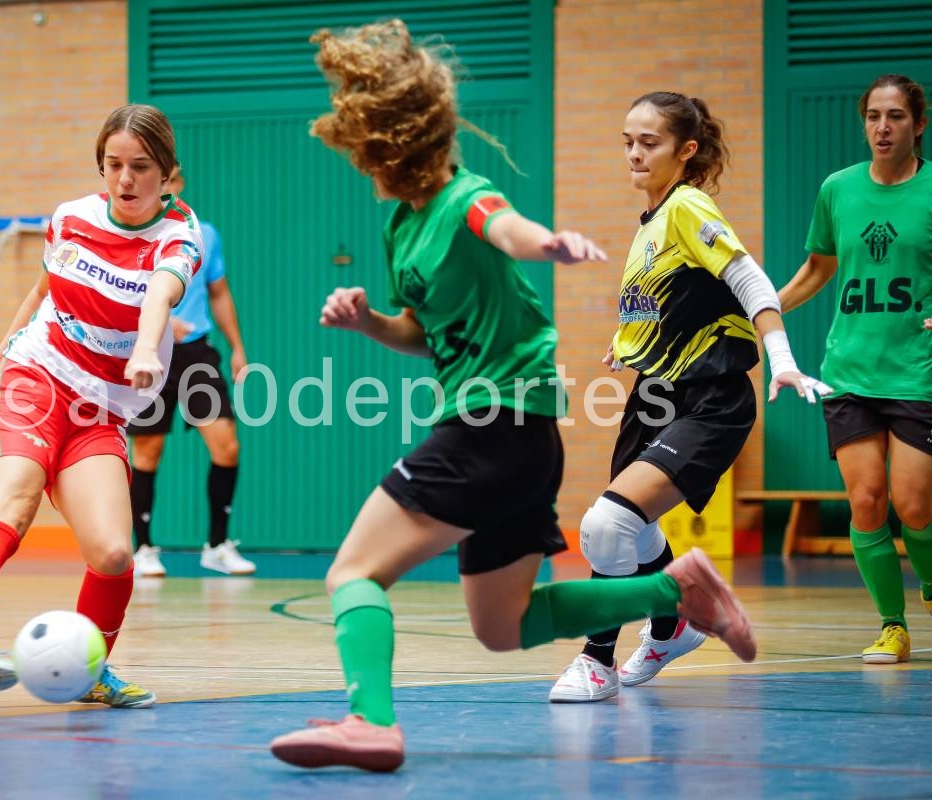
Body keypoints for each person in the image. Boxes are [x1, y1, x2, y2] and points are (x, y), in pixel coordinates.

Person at [268, 21, 757, 773]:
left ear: (385, 142)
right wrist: (369, 322)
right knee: (506, 626)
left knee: (352, 573)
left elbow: (504, 228)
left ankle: (371, 721)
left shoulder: (464, 195)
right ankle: (677, 589)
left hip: (488, 430)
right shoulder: (403, 228)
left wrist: (549, 243)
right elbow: (422, 333)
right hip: (522, 445)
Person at [0, 104, 203, 708]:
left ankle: (91, 673)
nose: (125, 180)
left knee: (114, 553)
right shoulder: (70, 218)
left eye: (141, 167)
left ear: (168, 172)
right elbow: (40, 294)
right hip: (35, 377)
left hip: (101, 411)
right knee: (12, 504)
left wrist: (147, 348)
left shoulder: (180, 234)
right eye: (113, 165)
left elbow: (160, 292)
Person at [547, 92, 830, 703]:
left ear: (687, 151)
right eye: (628, 140)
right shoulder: (650, 225)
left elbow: (748, 276)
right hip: (654, 395)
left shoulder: (687, 207)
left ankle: (598, 662)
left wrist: (781, 358)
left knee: (606, 523)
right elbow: (670, 305)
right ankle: (670, 625)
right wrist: (627, 343)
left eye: (649, 142)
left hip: (710, 398)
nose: (634, 152)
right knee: (628, 532)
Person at [778, 74, 932, 664]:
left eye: (895, 116)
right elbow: (817, 269)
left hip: (916, 372)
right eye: (873, 116)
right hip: (848, 369)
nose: (883, 127)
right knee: (866, 500)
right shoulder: (837, 189)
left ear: (918, 124)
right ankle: (893, 625)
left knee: (914, 505)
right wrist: (761, 311)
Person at [127, 165, 254, 578]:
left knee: (226, 445)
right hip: (149, 351)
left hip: (197, 350)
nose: (167, 188)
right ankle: (142, 548)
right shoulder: (135, 237)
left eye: (174, 180)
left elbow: (219, 293)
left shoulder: (205, 235)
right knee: (147, 450)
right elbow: (122, 295)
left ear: (179, 183)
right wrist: (159, 323)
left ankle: (217, 546)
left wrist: (237, 348)